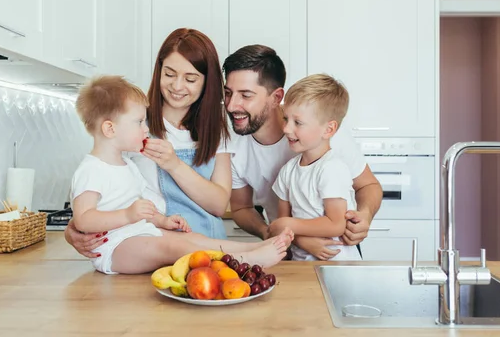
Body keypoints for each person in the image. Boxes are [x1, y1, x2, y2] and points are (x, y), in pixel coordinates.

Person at [71, 75, 293, 274]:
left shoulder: (126, 165)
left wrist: (162, 220)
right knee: (175, 247)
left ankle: (252, 248)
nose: (145, 128)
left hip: (139, 233)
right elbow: (83, 219)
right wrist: (128, 216)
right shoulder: (92, 169)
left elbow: (142, 207)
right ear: (110, 129)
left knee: (191, 239)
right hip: (113, 247)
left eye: (191, 78)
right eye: (139, 122)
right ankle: (248, 260)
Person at [65, 28, 233, 258]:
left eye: (190, 78)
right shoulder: (132, 124)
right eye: (170, 74)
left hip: (212, 250)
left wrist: (173, 164)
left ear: (207, 82)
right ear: (159, 71)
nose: (177, 86)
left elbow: (218, 205)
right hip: (149, 249)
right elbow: (97, 180)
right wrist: (75, 227)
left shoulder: (216, 131)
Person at [223, 45, 383, 261]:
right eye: (228, 93)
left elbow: (368, 185)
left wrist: (364, 216)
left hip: (336, 251)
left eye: (246, 95)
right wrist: (274, 234)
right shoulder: (231, 147)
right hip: (289, 251)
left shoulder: (323, 132)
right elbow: (242, 207)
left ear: (276, 96)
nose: (232, 105)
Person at [268, 74, 360, 261]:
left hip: (338, 266)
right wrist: (289, 229)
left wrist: (289, 224)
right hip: (301, 266)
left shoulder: (332, 168)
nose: (286, 128)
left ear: (328, 129)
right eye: (285, 118)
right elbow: (282, 228)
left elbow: (336, 224)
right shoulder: (288, 170)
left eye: (298, 122)